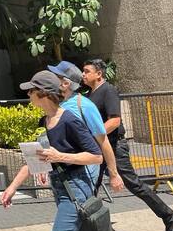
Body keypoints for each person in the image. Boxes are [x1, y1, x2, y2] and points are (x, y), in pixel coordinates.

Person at [83, 59, 173, 231]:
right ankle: (87, 228)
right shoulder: (89, 94)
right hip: (99, 148)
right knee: (90, 186)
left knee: (134, 185)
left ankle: (172, 218)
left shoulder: (108, 90)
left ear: (99, 74)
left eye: (86, 71)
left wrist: (92, 136)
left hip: (115, 146)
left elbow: (115, 121)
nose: (83, 74)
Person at [1, 71, 103, 231]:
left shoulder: (69, 120)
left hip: (76, 187)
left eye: (31, 90)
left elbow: (97, 156)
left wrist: (60, 156)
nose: (28, 94)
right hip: (59, 187)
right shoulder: (43, 121)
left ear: (44, 93)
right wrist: (12, 187)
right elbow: (35, 158)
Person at [48, 60, 124, 193]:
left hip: (82, 173)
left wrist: (113, 174)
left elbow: (104, 138)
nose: (51, 80)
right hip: (64, 173)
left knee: (134, 184)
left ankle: (162, 208)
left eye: (56, 77)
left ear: (66, 83)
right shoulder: (58, 105)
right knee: (88, 202)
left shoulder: (84, 104)